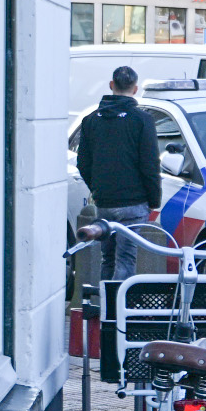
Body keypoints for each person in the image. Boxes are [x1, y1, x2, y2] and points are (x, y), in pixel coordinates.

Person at [75, 65, 164, 281]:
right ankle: (118, 311)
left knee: (108, 258)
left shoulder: (91, 120)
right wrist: (154, 199)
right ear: (135, 89)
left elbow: (83, 162)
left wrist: (97, 188)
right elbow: (150, 164)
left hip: (104, 201)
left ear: (111, 86)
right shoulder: (142, 120)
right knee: (125, 258)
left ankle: (106, 307)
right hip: (134, 202)